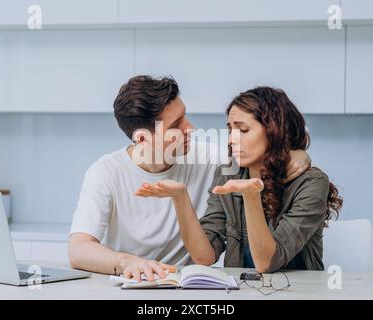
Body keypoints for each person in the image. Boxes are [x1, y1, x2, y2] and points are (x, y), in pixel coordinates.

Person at [69, 76, 311, 281]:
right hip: (130, 285)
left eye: (184, 116)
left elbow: (264, 148)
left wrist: (299, 154)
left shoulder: (208, 158)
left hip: (184, 287)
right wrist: (127, 263)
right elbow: (78, 249)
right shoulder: (105, 172)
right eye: (177, 125)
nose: (190, 128)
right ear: (143, 139)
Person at [136, 86, 343, 273]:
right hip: (243, 292)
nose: (231, 139)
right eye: (230, 129)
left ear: (275, 132)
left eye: (243, 130)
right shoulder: (228, 173)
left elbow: (267, 263)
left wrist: (250, 196)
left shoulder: (310, 183)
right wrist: (180, 198)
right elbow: (204, 257)